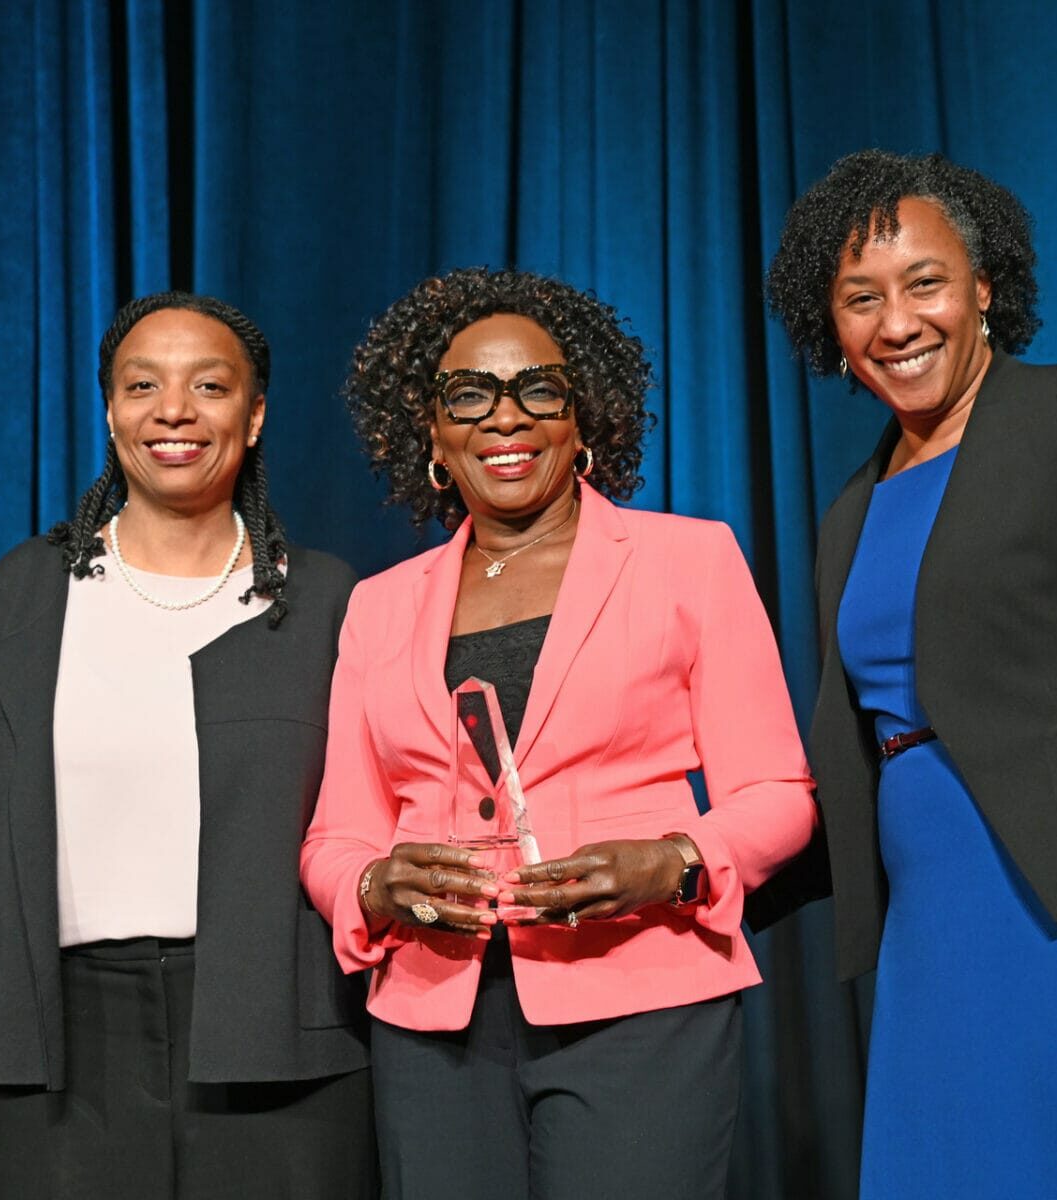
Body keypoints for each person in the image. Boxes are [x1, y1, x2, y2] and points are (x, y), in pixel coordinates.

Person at [300, 266, 816, 1200]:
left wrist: (674, 859)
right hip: (432, 1022)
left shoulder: (689, 560)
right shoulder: (378, 607)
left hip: (640, 1002)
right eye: (470, 396)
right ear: (432, 432)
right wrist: (375, 884)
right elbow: (336, 837)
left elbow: (779, 797)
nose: (507, 418)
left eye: (539, 388)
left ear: (586, 420)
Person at [760, 148, 1057, 1197]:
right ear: (831, 327)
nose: (896, 324)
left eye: (925, 284)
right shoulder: (851, 509)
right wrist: (687, 870)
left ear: (985, 288)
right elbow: (857, 755)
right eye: (861, 299)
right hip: (933, 938)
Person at [0, 292, 376, 1197]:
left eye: (210, 386)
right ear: (111, 411)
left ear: (256, 412)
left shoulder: (326, 604)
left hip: (284, 1042)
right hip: (55, 1053)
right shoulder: (18, 599)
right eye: (142, 385)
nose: (174, 411)